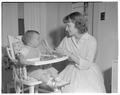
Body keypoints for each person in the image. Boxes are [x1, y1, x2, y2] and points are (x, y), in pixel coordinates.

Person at [52, 12, 106, 92]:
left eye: (68, 26)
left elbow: (87, 64)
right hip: (70, 70)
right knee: (59, 88)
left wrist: (69, 54)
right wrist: (52, 51)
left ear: (78, 25)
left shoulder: (91, 40)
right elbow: (58, 51)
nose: (66, 29)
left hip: (88, 71)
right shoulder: (67, 39)